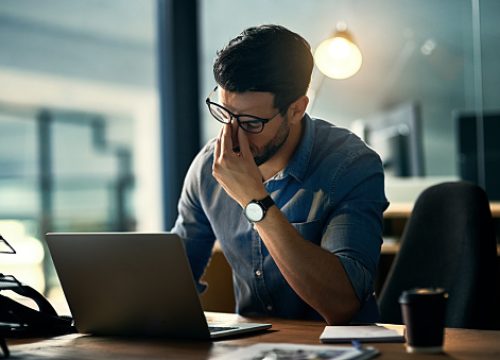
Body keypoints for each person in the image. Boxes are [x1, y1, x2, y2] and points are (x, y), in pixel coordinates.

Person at [172, 24, 388, 325]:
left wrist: (253, 200)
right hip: (250, 348)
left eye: (250, 122)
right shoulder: (209, 167)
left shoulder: (351, 166)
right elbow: (173, 280)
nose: (233, 135)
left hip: (339, 350)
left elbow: (343, 304)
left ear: (297, 109)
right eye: (225, 114)